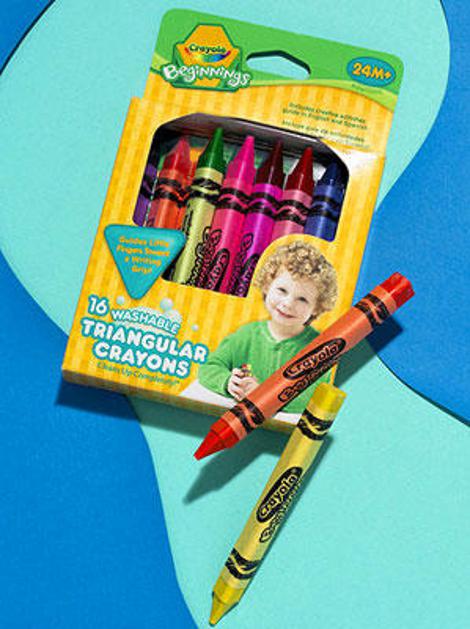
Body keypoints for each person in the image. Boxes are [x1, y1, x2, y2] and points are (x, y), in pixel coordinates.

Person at [198, 241, 338, 412]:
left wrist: (264, 395)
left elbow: (315, 395)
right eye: (282, 290)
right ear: (267, 285)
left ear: (317, 307)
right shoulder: (246, 335)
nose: (288, 303)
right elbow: (208, 368)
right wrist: (228, 382)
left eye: (302, 299)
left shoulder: (320, 349)